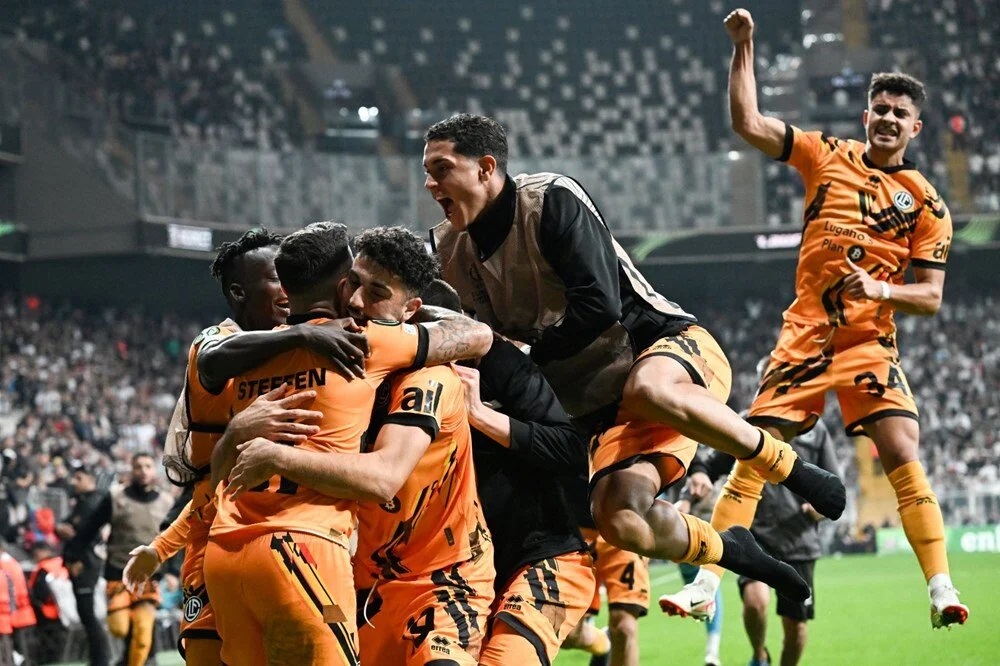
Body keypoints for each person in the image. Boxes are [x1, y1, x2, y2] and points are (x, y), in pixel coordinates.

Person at [425, 113, 843, 603]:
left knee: (648, 388)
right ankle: (730, 548)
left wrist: (526, 356)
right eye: (427, 172)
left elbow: (598, 306)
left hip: (665, 349)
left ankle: (791, 469)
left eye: (442, 169)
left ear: (485, 168)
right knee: (619, 519)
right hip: (598, 406)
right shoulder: (445, 250)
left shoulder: (551, 199)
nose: (430, 184)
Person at [666, 7, 966, 630]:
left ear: (915, 126)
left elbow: (931, 296)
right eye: (879, 108)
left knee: (901, 449)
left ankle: (940, 586)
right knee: (754, 451)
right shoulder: (827, 154)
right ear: (865, 116)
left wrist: (880, 288)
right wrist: (744, 47)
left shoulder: (928, 204)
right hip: (805, 335)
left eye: (899, 112)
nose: (887, 118)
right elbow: (748, 122)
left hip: (868, 342)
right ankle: (708, 585)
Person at [201, 222, 493, 666]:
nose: (358, 300)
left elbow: (217, 452)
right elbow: (477, 336)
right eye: (354, 283)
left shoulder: (246, 356)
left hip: (225, 557)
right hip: (303, 550)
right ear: (342, 286)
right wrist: (414, 309)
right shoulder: (363, 342)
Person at [121, 228, 367, 666]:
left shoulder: (299, 348)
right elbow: (213, 359)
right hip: (219, 538)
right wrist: (303, 335)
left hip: (280, 537)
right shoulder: (218, 342)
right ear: (239, 292)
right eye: (275, 279)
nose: (287, 291)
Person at [420, 279, 597, 666]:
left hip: (540, 557)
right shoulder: (392, 383)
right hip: (455, 576)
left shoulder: (499, 363)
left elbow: (570, 450)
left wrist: (482, 416)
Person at [65, 454, 174, 666]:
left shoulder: (167, 502)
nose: (143, 471)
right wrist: (73, 555)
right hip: (118, 573)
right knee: (119, 627)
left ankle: (141, 661)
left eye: (148, 466)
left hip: (149, 577)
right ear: (131, 470)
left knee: (143, 632)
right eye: (138, 466)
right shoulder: (116, 497)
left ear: (154, 470)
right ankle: (127, 659)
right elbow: (90, 527)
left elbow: (176, 538)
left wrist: (173, 571)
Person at [58, 464, 110, 666]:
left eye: (78, 478)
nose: (74, 482)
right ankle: (98, 659)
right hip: (79, 563)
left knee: (89, 615)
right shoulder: (82, 501)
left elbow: (81, 533)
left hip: (86, 563)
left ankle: (101, 660)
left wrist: (70, 532)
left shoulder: (94, 502)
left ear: (90, 479)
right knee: (86, 615)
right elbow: (65, 525)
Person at [26, 542, 70, 664]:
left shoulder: (43, 568)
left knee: (50, 645)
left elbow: (41, 593)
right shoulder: (61, 562)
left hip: (48, 612)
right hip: (66, 610)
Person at [0, 541, 36, 665]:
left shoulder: (4, 565)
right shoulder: (13, 563)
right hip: (20, 611)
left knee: (10, 651)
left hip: (12, 613)